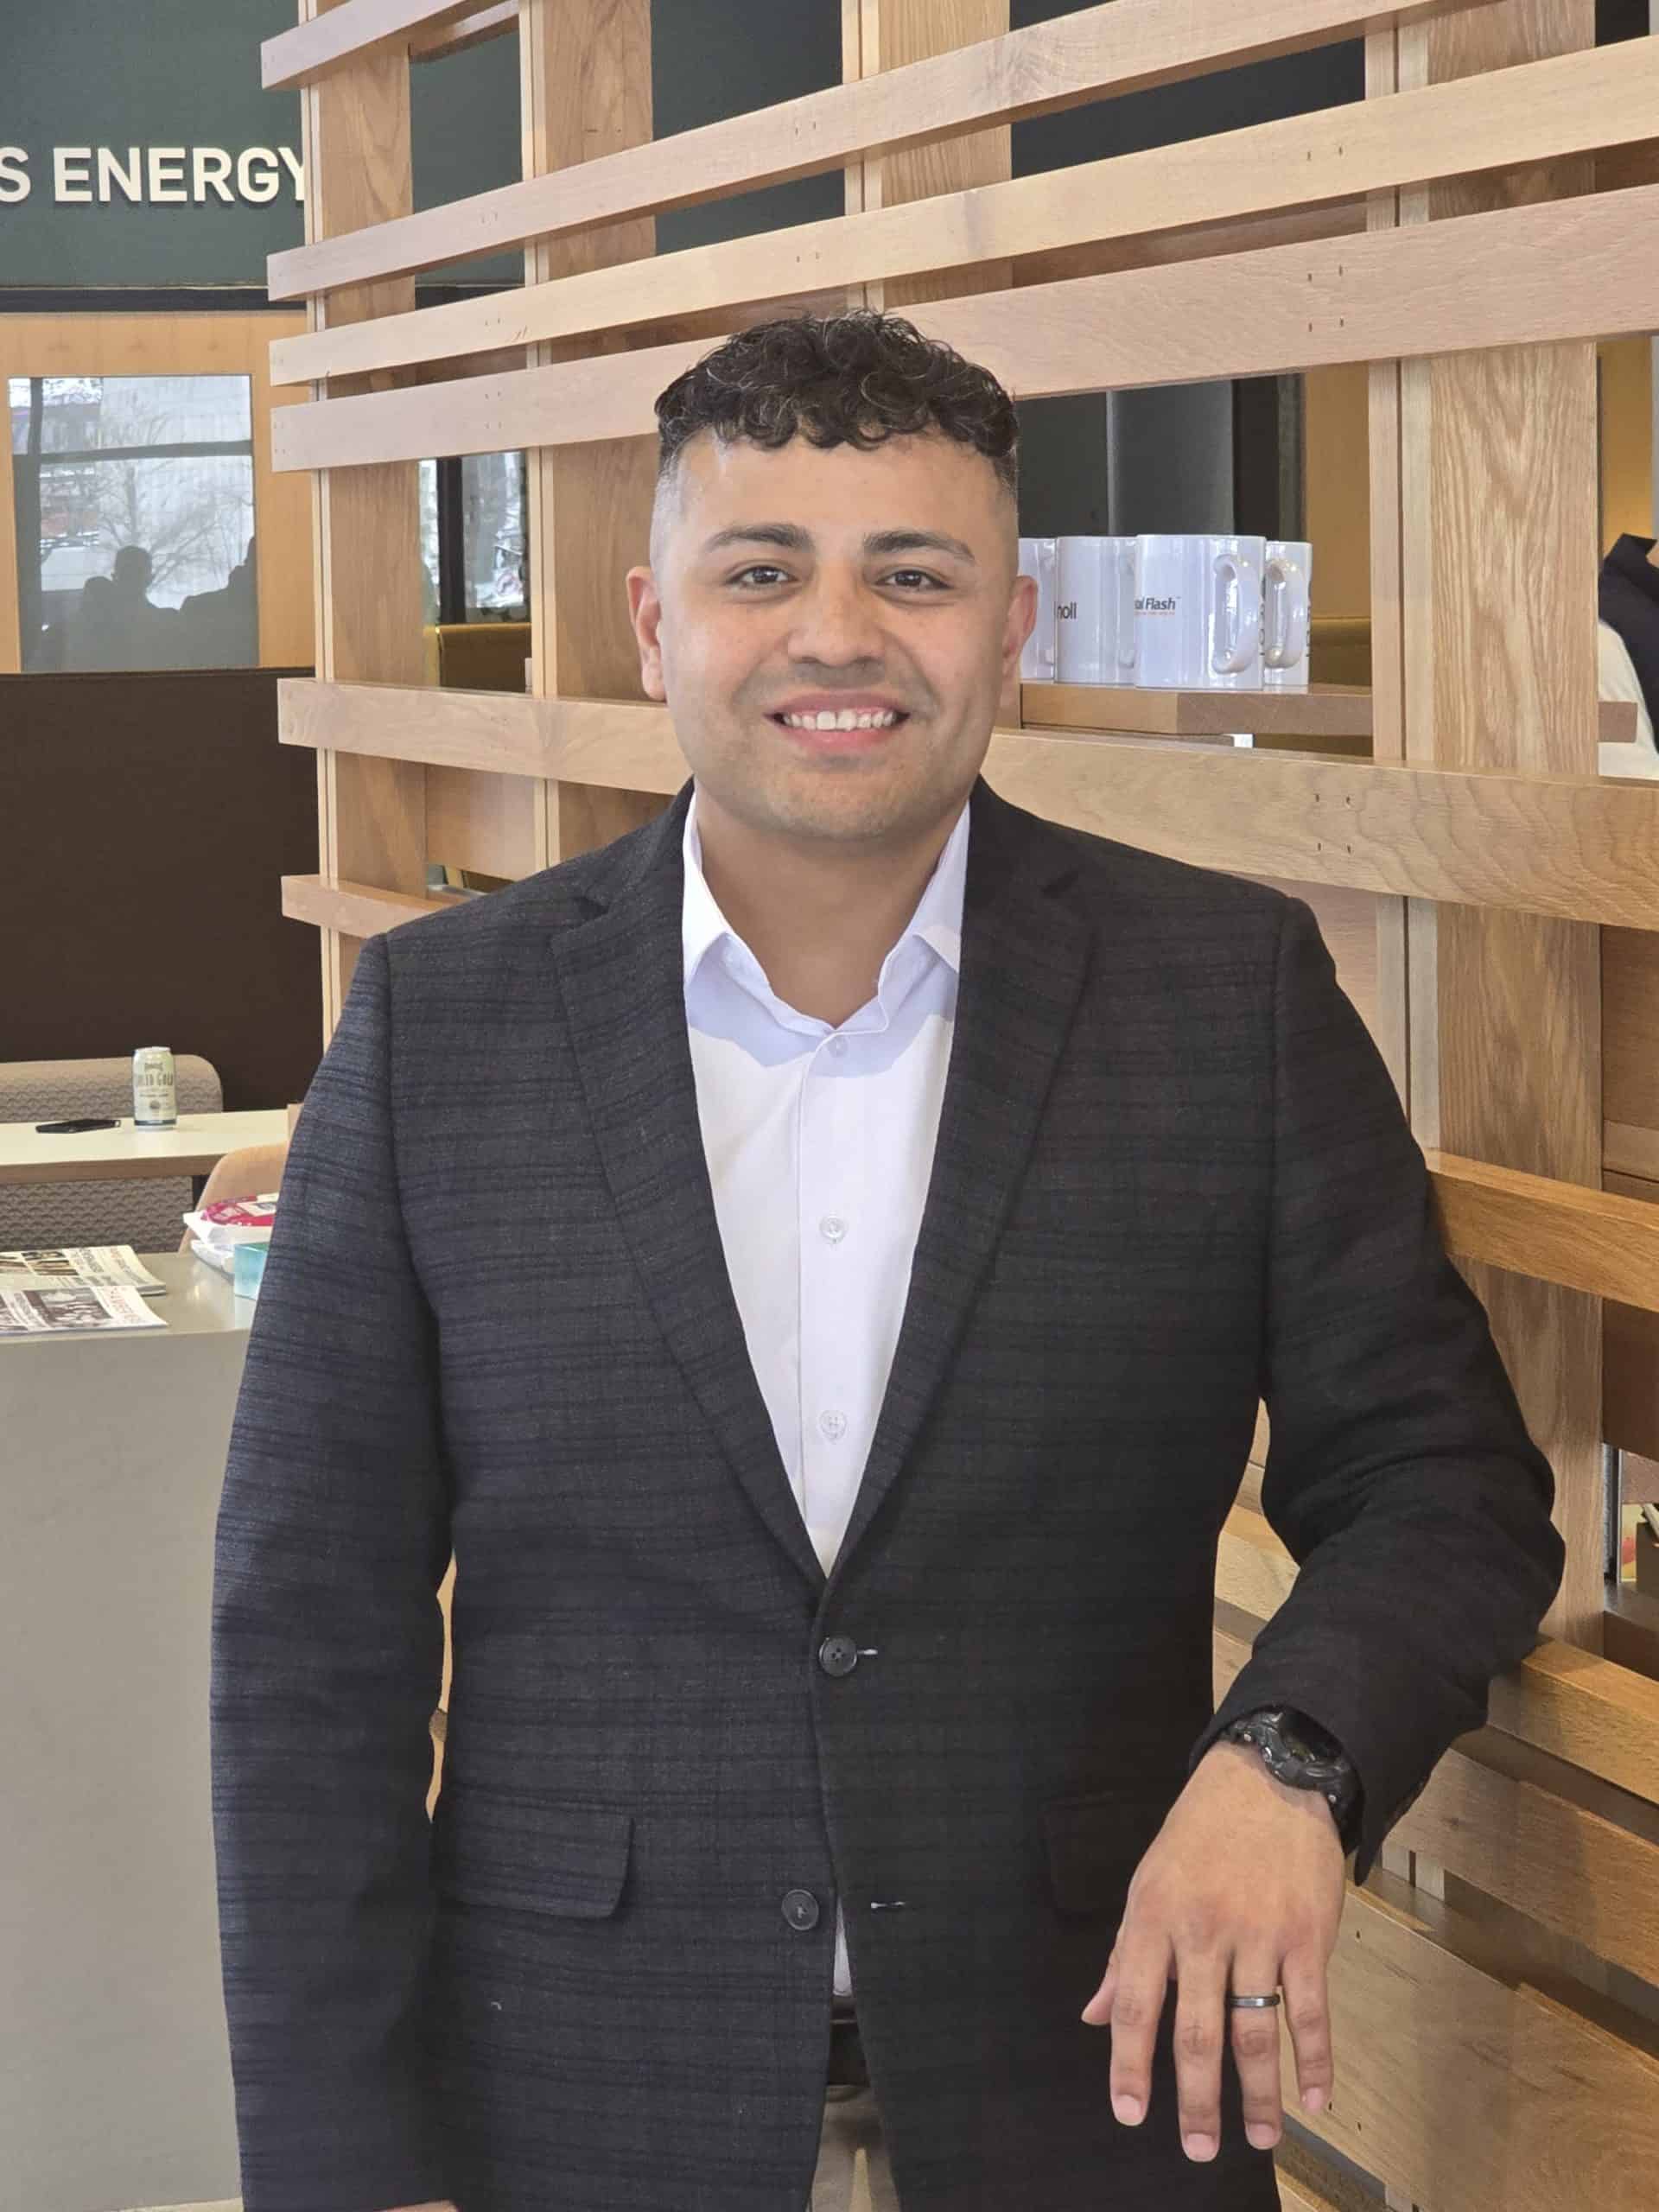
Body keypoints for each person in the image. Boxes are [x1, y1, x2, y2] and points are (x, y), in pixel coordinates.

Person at [210, 310, 1565, 2212]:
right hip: (574, 2101)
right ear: (653, 621)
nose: (837, 635)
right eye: (761, 571)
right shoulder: (444, 1028)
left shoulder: (1227, 997)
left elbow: (1448, 1487)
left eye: (911, 575)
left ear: (1008, 625)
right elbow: (308, 1631)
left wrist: (1291, 1760)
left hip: (1088, 2096)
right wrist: (344, 2170)